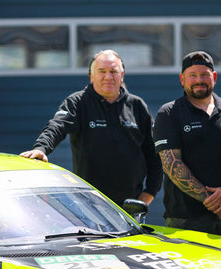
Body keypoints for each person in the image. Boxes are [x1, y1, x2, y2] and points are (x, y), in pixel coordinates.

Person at [19, 49, 161, 207]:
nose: (108, 76)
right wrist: (42, 148)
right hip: (89, 206)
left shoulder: (137, 106)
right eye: (102, 71)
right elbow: (57, 126)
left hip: (130, 206)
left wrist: (149, 194)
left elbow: (154, 153)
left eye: (113, 71)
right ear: (91, 76)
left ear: (122, 75)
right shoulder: (78, 102)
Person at [152, 51, 221, 237]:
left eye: (204, 75)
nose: (198, 80)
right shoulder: (169, 113)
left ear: (214, 77)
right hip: (184, 220)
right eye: (192, 75)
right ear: (182, 79)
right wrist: (212, 200)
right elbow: (171, 164)